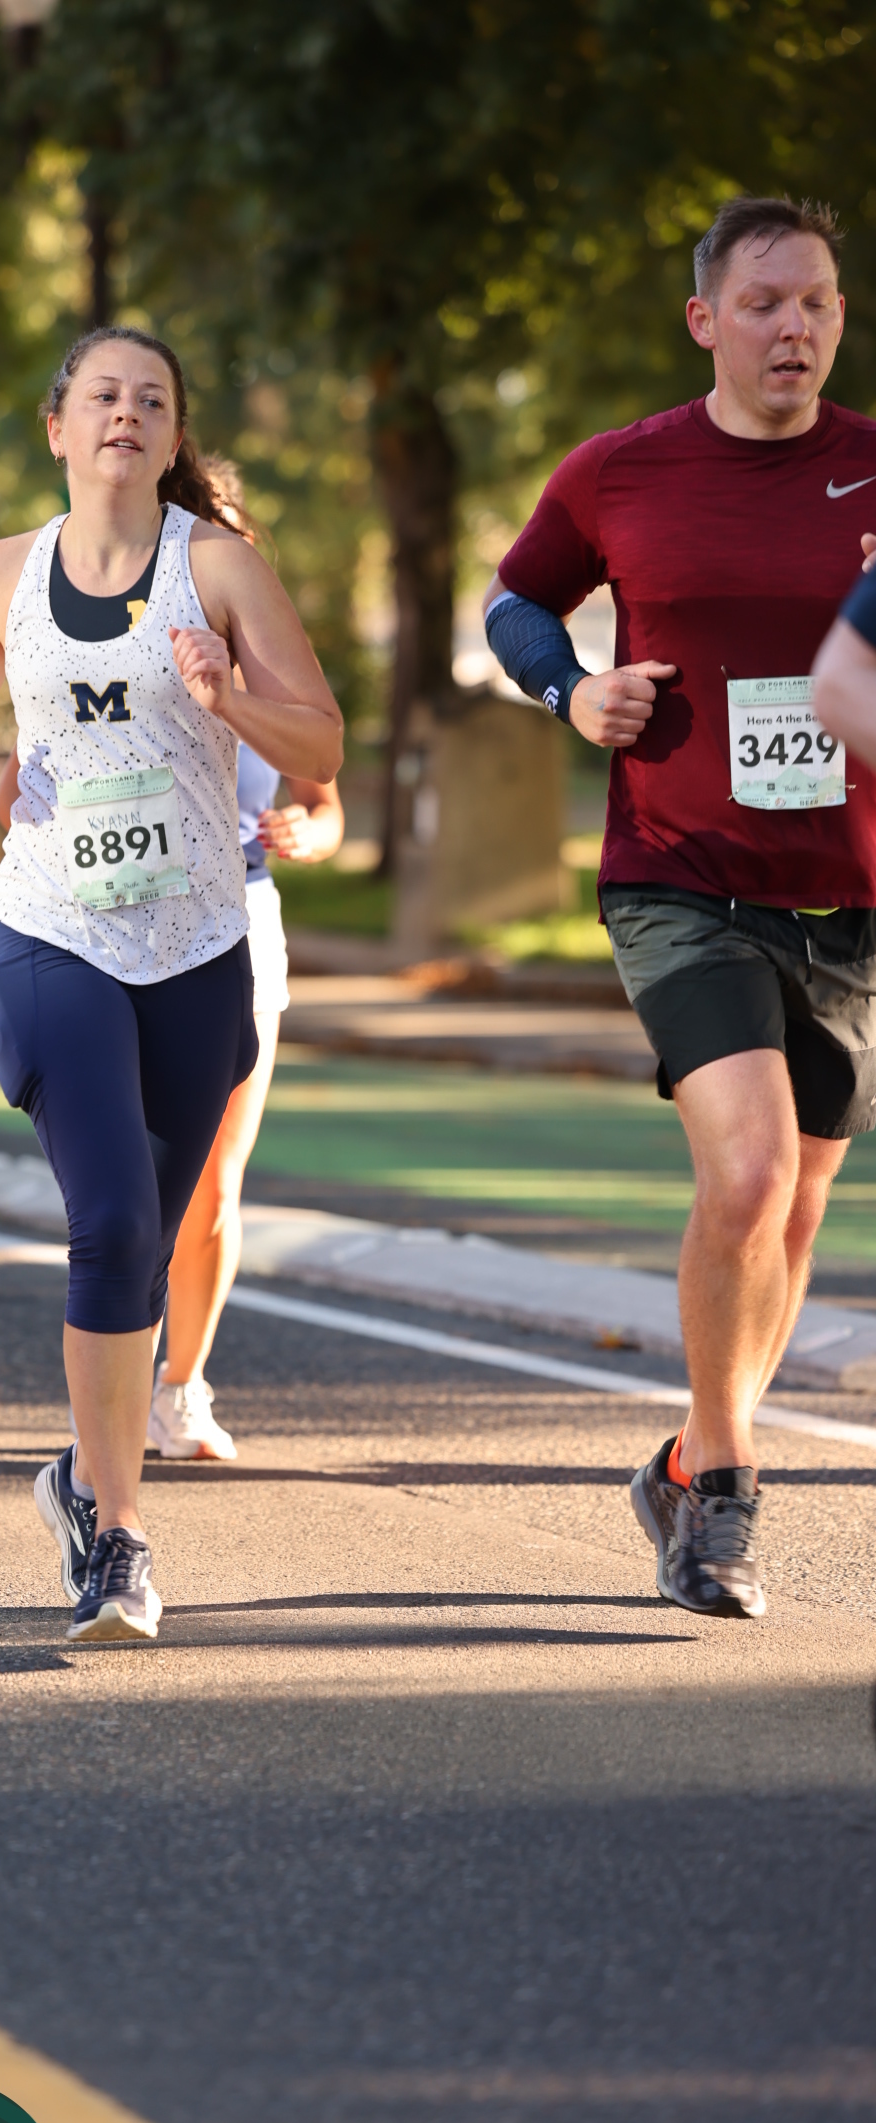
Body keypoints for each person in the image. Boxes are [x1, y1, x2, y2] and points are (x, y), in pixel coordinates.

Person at [484, 194, 876, 1620]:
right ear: (707, 320)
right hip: (677, 873)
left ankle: (682, 1459)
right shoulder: (622, 471)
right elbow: (516, 603)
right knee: (752, 1174)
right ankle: (724, 1494)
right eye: (764, 303)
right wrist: (571, 689)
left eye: (816, 302)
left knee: (795, 1211)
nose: (794, 327)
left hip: (850, 896)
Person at [0, 327, 341, 1642]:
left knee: (151, 1240)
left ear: (171, 436)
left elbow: (321, 740)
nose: (125, 414)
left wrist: (227, 699)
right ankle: (120, 1536)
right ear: (58, 427)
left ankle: (78, 1476)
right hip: (48, 929)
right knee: (107, 1224)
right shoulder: (0, 572)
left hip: (198, 946)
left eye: (151, 399)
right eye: (102, 395)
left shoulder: (220, 570)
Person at [0, 458, 345, 1463]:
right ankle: (116, 1386)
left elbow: (325, 799)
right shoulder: (96, 647)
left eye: (223, 536)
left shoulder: (265, 660)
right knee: (125, 1194)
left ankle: (182, 1385)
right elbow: (17, 787)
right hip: (95, 927)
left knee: (214, 1182)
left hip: (231, 923)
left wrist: (310, 835)